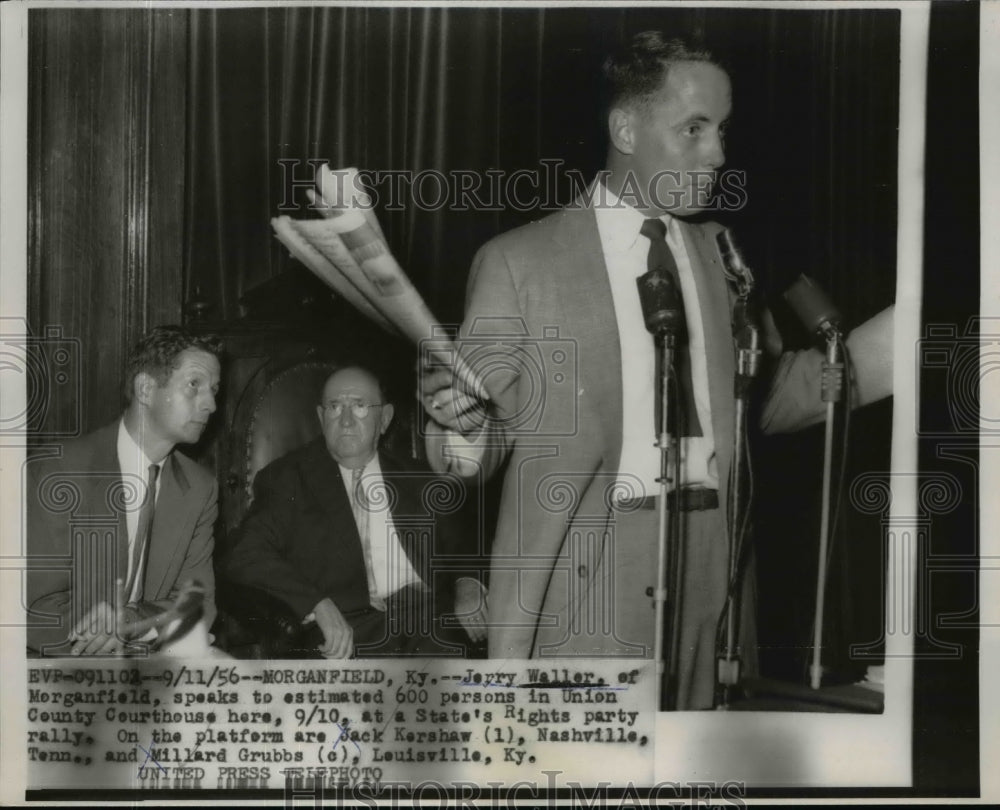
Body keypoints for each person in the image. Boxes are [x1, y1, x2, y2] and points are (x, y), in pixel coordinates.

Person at [420, 32, 893, 708]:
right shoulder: (519, 262)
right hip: (592, 575)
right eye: (694, 129)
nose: (720, 154)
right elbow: (484, 444)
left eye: (722, 130)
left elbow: (765, 394)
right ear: (626, 128)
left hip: (718, 572)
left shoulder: (723, 253)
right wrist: (457, 423)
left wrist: (906, 341)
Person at [225, 365, 488, 658]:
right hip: (349, 632)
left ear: (384, 418)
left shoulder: (419, 477)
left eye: (360, 406)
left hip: (429, 622)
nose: (346, 420)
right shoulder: (288, 479)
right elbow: (244, 554)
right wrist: (316, 604)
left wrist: (469, 585)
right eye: (335, 407)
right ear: (321, 418)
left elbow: (465, 543)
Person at [26, 325, 222, 656]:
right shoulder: (58, 471)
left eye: (214, 389)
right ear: (145, 389)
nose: (212, 405)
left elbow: (198, 605)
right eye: (194, 385)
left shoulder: (200, 488)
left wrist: (127, 624)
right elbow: (32, 605)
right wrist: (104, 631)